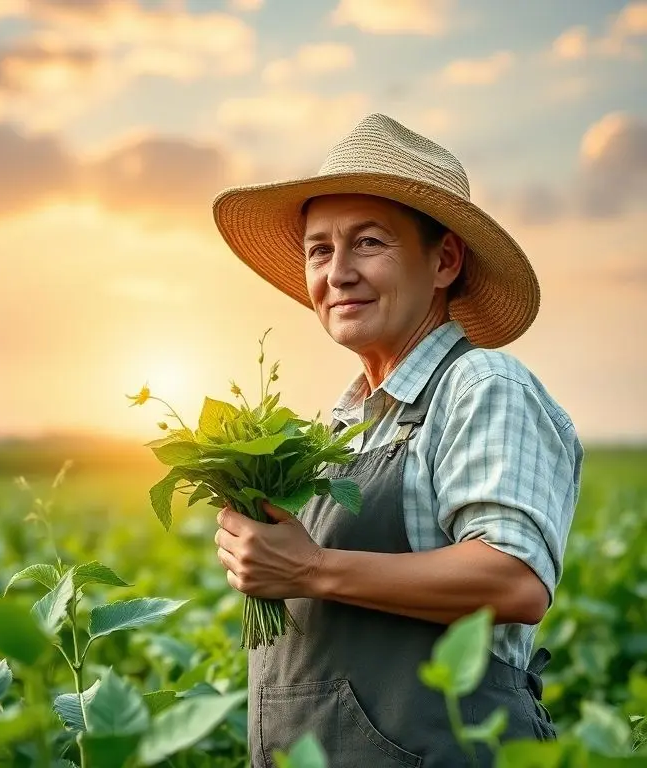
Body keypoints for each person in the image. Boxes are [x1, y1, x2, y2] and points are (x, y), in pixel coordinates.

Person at [211, 113, 583, 767]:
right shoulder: (339, 427)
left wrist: (311, 569)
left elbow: (513, 579)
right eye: (319, 250)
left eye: (368, 242)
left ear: (444, 260)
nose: (338, 273)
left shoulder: (480, 385)